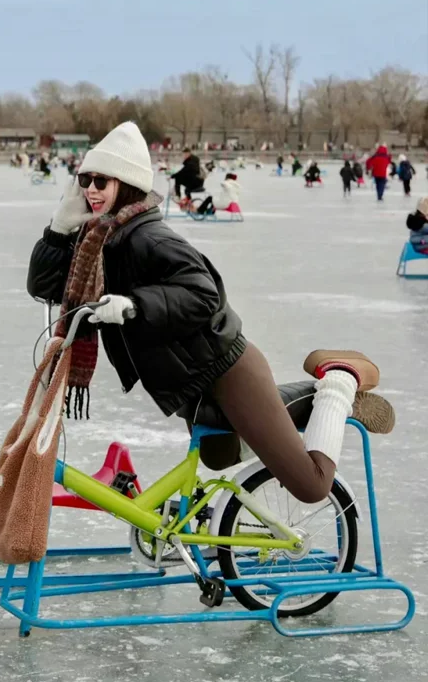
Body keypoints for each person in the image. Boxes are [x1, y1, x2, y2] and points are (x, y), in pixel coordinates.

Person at [27, 121, 393, 508]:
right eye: (85, 180)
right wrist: (58, 230)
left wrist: (134, 305)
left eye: (101, 181)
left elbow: (203, 293)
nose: (90, 190)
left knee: (312, 485)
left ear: (127, 184)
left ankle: (338, 384)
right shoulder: (100, 238)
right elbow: (44, 287)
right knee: (218, 456)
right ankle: (295, 407)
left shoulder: (148, 237)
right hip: (191, 379)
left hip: (225, 368)